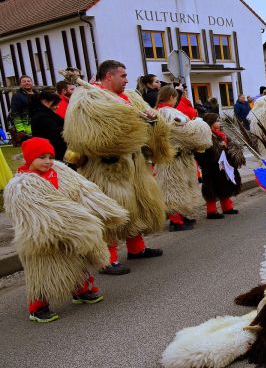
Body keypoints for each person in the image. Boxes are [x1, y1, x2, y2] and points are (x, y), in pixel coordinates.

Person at [63, 60, 170, 275]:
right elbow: (85, 135)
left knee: (138, 205)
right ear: (109, 76)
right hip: (106, 167)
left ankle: (137, 248)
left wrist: (151, 121)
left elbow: (150, 121)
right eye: (123, 75)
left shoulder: (130, 97)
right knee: (110, 212)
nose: (127, 80)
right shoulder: (87, 98)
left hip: (134, 164)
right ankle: (107, 260)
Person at [4, 137, 129, 322]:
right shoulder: (21, 186)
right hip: (43, 234)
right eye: (41, 157)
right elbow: (34, 212)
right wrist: (68, 222)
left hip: (74, 228)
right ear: (29, 159)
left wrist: (104, 209)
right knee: (43, 271)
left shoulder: (61, 172)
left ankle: (81, 290)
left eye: (50, 156)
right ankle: (38, 306)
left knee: (77, 260)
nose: (47, 161)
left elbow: (84, 190)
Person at [155, 85, 212, 231]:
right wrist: (199, 127)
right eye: (175, 97)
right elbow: (181, 131)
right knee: (174, 188)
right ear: (172, 98)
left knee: (181, 187)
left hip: (178, 157)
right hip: (174, 158)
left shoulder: (160, 112)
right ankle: (175, 221)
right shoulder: (167, 113)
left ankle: (181, 215)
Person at [196, 113, 244, 218]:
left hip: (224, 165)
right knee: (211, 188)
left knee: (225, 185)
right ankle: (211, 211)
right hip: (211, 167)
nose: (219, 122)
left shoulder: (221, 134)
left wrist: (228, 147)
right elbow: (204, 151)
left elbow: (229, 146)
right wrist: (218, 148)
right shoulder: (206, 135)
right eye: (217, 120)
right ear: (211, 123)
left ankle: (227, 207)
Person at [30, 89, 67, 160]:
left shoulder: (45, 114)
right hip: (52, 153)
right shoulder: (42, 117)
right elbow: (55, 133)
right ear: (45, 102)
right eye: (55, 104)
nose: (57, 106)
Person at [10, 75, 35, 143]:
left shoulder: (37, 94)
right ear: (20, 84)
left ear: (32, 83)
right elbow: (15, 113)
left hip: (39, 125)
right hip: (26, 129)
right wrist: (20, 129)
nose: (27, 83)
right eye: (24, 82)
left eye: (28, 81)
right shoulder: (17, 96)